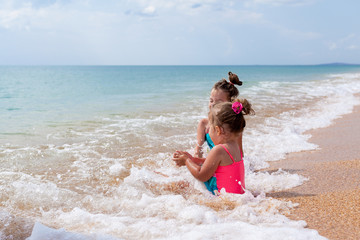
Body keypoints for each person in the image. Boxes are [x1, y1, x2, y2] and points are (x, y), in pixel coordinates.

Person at [173, 99, 254, 195]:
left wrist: (187, 161)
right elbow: (215, 164)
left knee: (182, 186)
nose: (209, 132)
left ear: (218, 130)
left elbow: (201, 175)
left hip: (222, 199)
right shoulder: (234, 146)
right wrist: (193, 160)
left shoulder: (219, 150)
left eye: (210, 128)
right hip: (237, 195)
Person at [195, 72, 243, 159]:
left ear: (229, 103)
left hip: (228, 165)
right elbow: (198, 152)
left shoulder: (234, 126)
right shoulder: (204, 124)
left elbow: (239, 153)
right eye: (211, 100)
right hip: (212, 163)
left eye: (219, 102)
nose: (213, 104)